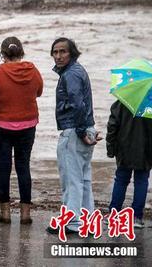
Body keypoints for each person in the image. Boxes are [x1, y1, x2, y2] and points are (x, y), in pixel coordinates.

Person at [46, 37, 100, 236]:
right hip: (85, 129)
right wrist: (87, 129)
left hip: (74, 132)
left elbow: (78, 105)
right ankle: (86, 221)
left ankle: (71, 222)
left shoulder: (71, 74)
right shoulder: (77, 70)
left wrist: (80, 132)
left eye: (63, 52)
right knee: (83, 180)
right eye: (55, 52)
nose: (58, 56)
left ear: (72, 53)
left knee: (71, 179)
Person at [0, 37, 43, 225]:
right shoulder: (33, 71)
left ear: (2, 54)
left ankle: (5, 213)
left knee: (4, 167)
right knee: (23, 166)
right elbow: (39, 91)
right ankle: (25, 214)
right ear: (22, 53)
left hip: (1, 125)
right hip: (27, 125)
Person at [106, 100, 152, 228]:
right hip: (147, 149)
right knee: (141, 181)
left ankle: (113, 214)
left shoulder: (123, 101)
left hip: (124, 147)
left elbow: (112, 125)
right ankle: (136, 218)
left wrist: (111, 148)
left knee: (121, 180)